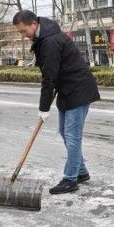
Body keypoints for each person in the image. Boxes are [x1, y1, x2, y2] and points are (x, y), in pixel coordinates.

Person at [13, 10, 100, 195]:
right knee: (64, 131)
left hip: (78, 88)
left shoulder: (50, 42)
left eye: (23, 31)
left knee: (72, 135)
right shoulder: (43, 38)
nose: (23, 35)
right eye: (20, 32)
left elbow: (49, 78)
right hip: (67, 89)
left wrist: (43, 108)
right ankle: (81, 171)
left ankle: (70, 179)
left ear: (34, 24)